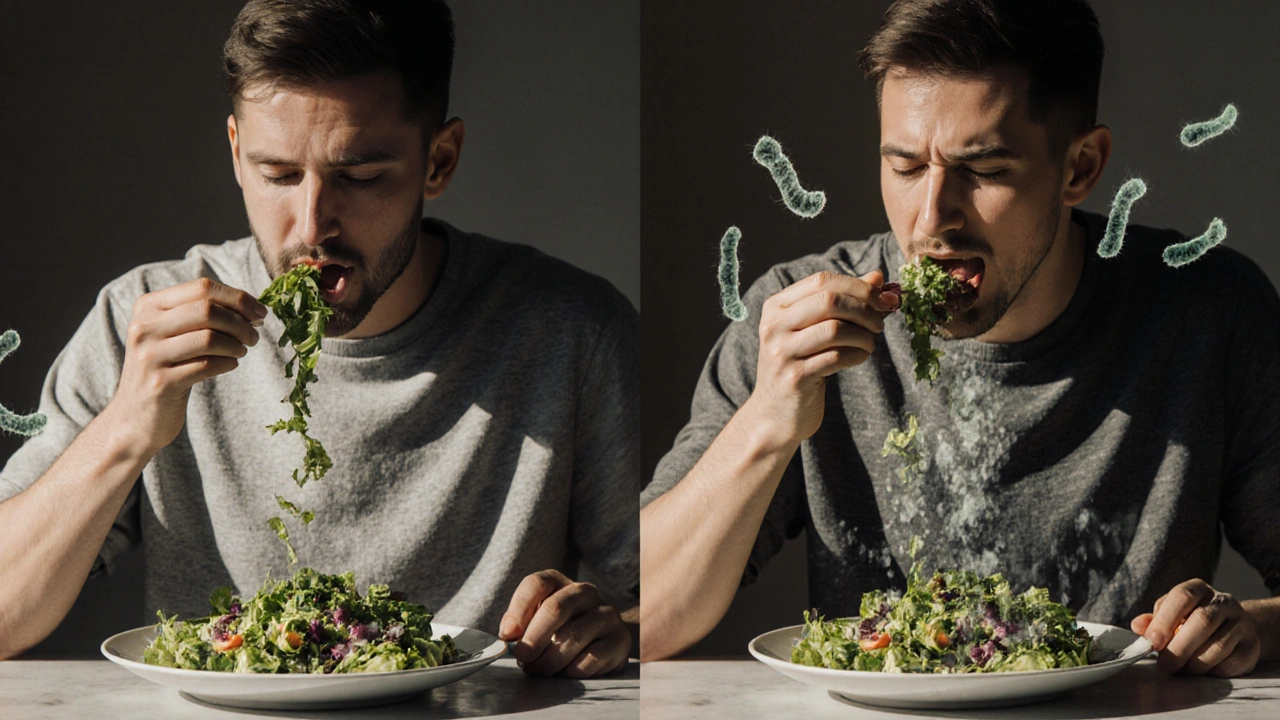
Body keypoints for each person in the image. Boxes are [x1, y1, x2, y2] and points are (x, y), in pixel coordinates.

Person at [640, 0, 1280, 677]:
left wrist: (1249, 628)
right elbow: (648, 618)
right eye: (906, 167)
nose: (931, 219)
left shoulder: (1211, 312)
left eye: (984, 170)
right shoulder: (793, 324)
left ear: (1081, 168)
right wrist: (767, 421)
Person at [0, 0, 637, 678]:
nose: (312, 225)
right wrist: (125, 428)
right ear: (237, 153)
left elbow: (648, 600)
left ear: (439, 160)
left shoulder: (570, 329)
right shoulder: (144, 321)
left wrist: (615, 628)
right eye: (278, 175)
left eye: (359, 177)